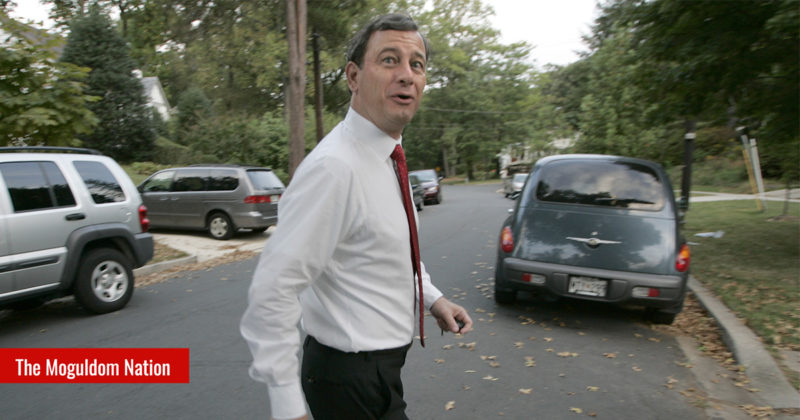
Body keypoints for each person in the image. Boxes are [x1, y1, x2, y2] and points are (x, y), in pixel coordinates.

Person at [240, 13, 473, 420]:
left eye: (417, 64)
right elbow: (272, 290)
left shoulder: (388, 157)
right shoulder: (334, 169)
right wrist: (288, 408)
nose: (406, 75)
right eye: (389, 60)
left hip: (379, 375)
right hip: (348, 382)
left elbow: (391, 252)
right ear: (353, 76)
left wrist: (432, 298)